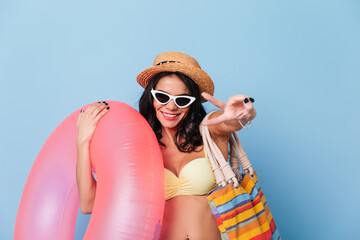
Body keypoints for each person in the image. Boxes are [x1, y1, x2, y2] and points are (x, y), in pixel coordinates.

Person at [76, 51, 256, 240]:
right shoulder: (137, 150)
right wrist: (83, 141)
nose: (171, 107)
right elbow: (88, 205)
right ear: (151, 96)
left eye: (182, 100)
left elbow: (230, 121)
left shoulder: (209, 132)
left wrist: (241, 113)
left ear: (192, 103)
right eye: (162, 97)